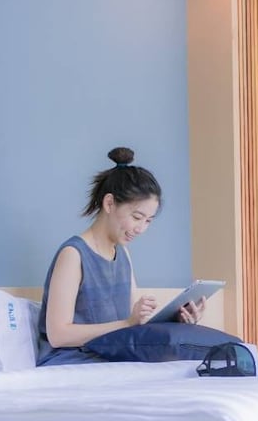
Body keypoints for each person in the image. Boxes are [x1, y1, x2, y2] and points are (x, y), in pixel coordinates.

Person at [36, 147, 204, 366]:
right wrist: (128, 323)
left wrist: (177, 321)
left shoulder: (123, 254)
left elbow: (134, 324)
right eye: (137, 217)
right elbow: (58, 335)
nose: (141, 228)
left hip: (112, 358)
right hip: (72, 361)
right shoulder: (73, 254)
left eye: (148, 221)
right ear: (109, 203)